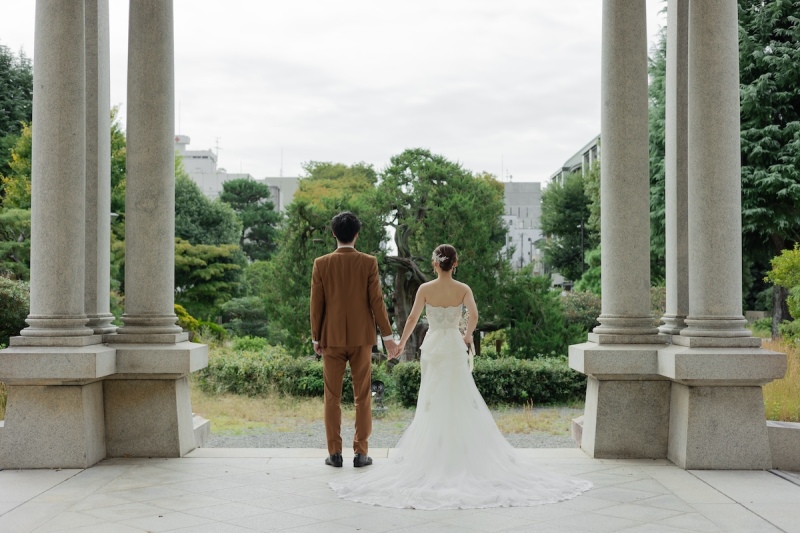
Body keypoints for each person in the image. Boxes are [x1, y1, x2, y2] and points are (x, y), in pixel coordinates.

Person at [329, 244, 592, 509]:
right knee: (459, 397)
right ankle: (461, 454)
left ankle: (434, 455)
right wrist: (466, 337)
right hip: (453, 345)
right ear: (455, 264)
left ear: (434, 264)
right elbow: (474, 315)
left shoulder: (425, 289)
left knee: (432, 400)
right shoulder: (463, 289)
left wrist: (399, 344)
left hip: (432, 347)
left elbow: (411, 319)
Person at [310, 212, 400, 469]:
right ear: (357, 234)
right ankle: (361, 453)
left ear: (333, 233)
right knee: (363, 396)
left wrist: (316, 336)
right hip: (362, 338)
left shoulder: (321, 263)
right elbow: (377, 303)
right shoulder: (368, 262)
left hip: (331, 338)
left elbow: (317, 305)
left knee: (332, 398)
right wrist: (388, 338)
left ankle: (335, 454)